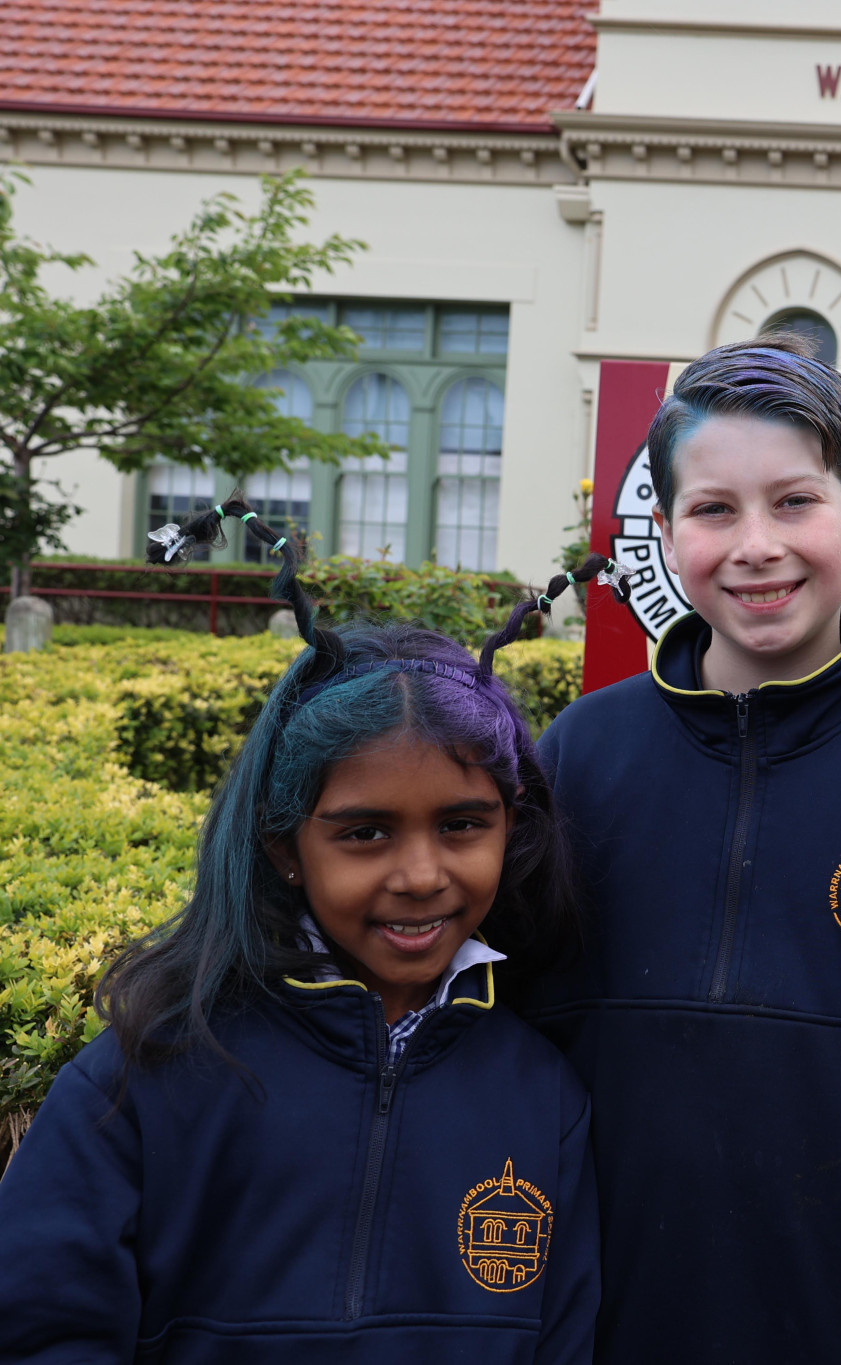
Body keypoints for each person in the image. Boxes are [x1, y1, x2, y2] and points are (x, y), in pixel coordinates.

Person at [0, 500, 599, 1363]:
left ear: (513, 824)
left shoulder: (542, 1099)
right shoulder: (152, 1070)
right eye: (365, 832)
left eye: (463, 825)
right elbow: (41, 1329)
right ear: (286, 848)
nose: (422, 872)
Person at [531, 336, 841, 1364]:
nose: (756, 545)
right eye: (714, 510)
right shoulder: (578, 756)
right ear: (662, 533)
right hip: (602, 1323)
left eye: (795, 502)